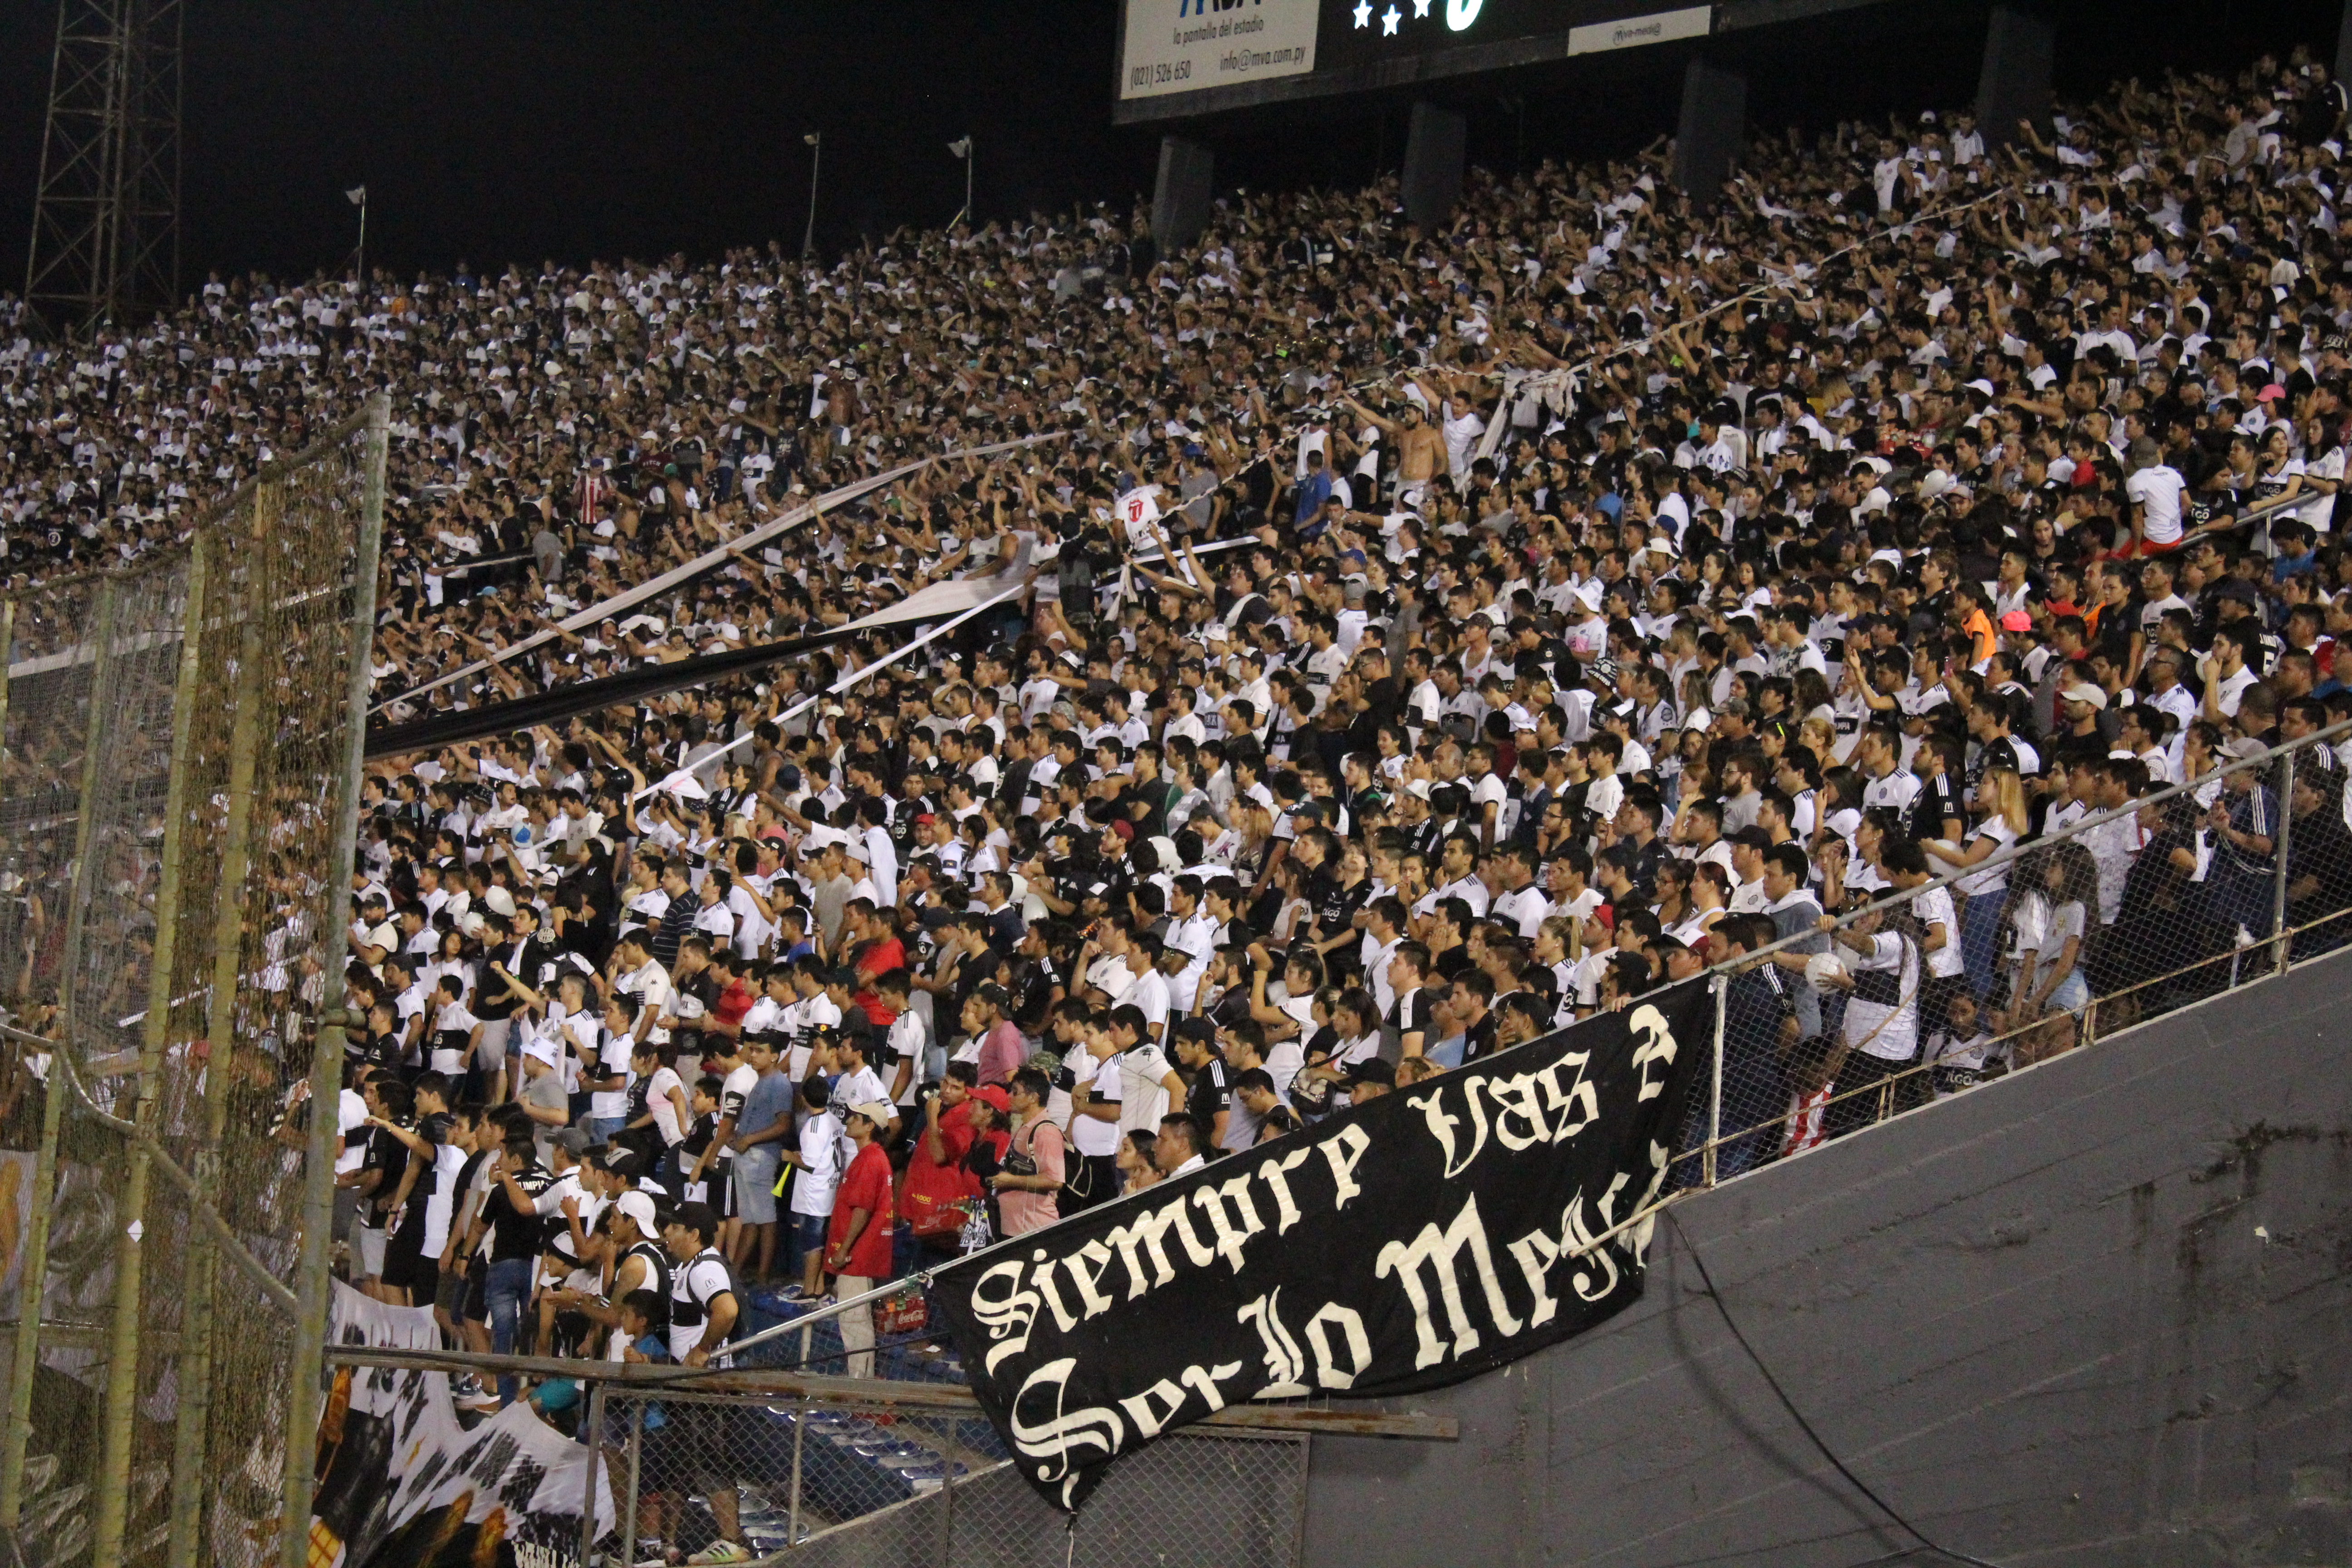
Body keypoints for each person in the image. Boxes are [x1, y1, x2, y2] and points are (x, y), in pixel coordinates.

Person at [824, 1103, 897, 1377]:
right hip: (861, 1252)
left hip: (858, 1255)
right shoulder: (871, 1156)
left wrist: (843, 1251)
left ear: (870, 1127)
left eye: (856, 1118)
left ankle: (860, 1387)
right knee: (856, 1321)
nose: (849, 1120)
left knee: (855, 1322)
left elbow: (863, 1209)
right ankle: (860, 1383)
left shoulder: (870, 1159)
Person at [989, 1068, 1067, 1237]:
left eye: (1015, 1092)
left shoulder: (1045, 1131)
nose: (1009, 1096)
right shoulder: (1026, 1127)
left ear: (1033, 1097)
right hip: (1016, 1228)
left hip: (1033, 1230)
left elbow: (1055, 1180)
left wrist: (1011, 1180)